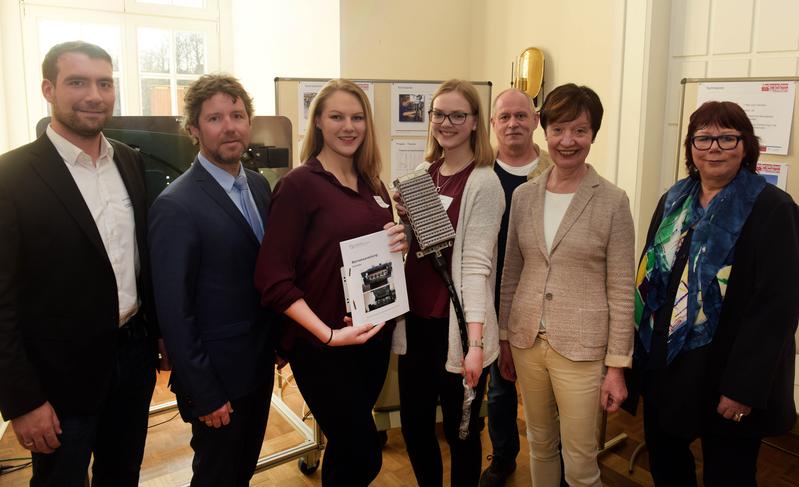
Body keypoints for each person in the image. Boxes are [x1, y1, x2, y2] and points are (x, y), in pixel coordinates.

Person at [0, 40, 166, 486]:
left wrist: (159, 333)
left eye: (104, 83)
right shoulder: (10, 176)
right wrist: (21, 401)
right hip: (58, 375)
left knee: (122, 473)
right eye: (78, 82)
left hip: (132, 356)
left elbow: (140, 259)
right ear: (48, 89)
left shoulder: (129, 162)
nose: (94, 95)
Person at [624, 101, 799, 487]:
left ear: (746, 145)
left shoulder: (772, 208)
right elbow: (648, 280)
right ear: (690, 147)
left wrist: (742, 389)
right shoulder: (674, 200)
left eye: (726, 137)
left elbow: (777, 308)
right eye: (703, 138)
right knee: (667, 461)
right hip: (668, 366)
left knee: (730, 474)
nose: (714, 147)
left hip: (727, 371)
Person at [255, 79, 407, 487]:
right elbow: (272, 278)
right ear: (318, 122)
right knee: (365, 454)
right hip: (323, 348)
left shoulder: (374, 185)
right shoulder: (298, 186)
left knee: (344, 450)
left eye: (357, 117)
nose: (349, 126)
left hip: (371, 340)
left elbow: (372, 258)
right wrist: (327, 336)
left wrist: (400, 243)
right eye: (337, 116)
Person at [498, 83, 635, 487]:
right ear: (545, 131)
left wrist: (617, 367)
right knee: (539, 445)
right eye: (558, 130)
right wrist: (506, 337)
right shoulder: (524, 197)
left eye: (579, 130)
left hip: (582, 348)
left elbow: (623, 288)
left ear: (593, 134)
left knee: (579, 461)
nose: (568, 141)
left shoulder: (612, 201)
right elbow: (511, 273)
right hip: (526, 342)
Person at [148, 74, 276, 487]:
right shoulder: (176, 205)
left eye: (237, 115)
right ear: (194, 130)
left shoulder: (257, 185)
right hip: (216, 379)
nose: (230, 126)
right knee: (216, 476)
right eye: (216, 118)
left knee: (241, 472)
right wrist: (204, 392)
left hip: (256, 367)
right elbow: (175, 312)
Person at [393, 79, 505, 487]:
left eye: (458, 115)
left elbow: (476, 265)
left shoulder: (484, 182)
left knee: (461, 433)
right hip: (417, 324)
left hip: (456, 329)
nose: (447, 122)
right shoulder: (424, 172)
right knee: (415, 426)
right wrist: (402, 225)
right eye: (439, 114)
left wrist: (475, 346)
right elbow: (418, 245)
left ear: (475, 122)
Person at [479, 88, 553, 487]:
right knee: (500, 390)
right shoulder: (480, 174)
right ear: (493, 124)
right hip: (492, 297)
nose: (513, 124)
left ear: (536, 120)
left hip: (543, 298)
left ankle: (553, 464)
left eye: (521, 116)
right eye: (504, 117)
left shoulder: (556, 171)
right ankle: (504, 457)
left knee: (549, 392)